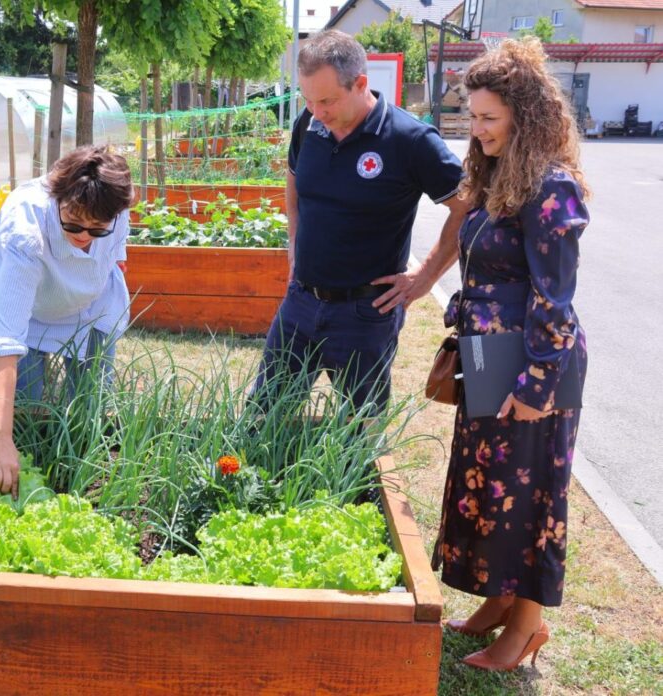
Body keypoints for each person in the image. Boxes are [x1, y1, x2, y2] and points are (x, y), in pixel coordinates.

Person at [431, 37, 590, 672]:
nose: (477, 129)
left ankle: (526, 627)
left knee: (531, 499)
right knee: (493, 489)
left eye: (489, 118)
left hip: (531, 366)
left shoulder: (552, 188)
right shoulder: (500, 175)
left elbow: (555, 298)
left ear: (526, 117)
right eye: (472, 116)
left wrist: (536, 383)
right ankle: (499, 602)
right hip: (489, 358)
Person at [252, 30, 468, 413]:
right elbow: (294, 179)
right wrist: (292, 243)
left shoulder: (411, 140)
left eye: (328, 101)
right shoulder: (309, 124)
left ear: (361, 84)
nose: (318, 112)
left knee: (357, 432)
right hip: (300, 301)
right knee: (264, 415)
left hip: (366, 314)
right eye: (309, 100)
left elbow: (467, 207)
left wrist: (425, 277)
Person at [0, 145, 133, 498]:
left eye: (98, 229)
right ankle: (23, 469)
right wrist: (0, 439)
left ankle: (77, 475)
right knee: (26, 404)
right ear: (57, 197)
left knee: (88, 406)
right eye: (74, 224)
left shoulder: (115, 207)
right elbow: (6, 341)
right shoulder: (27, 228)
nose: (84, 236)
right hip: (28, 309)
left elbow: (116, 258)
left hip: (90, 307)